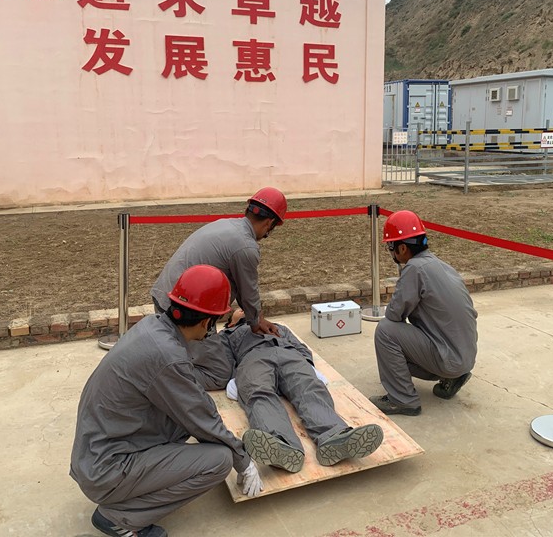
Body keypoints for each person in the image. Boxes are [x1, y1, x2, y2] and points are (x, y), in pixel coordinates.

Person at [70, 265, 264, 537]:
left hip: (95, 453)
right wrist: (243, 460)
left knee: (187, 424)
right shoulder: (167, 357)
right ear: (206, 322)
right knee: (219, 460)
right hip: (106, 469)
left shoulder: (153, 327)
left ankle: (128, 494)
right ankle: (120, 518)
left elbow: (194, 403)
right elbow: (201, 417)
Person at [222, 310, 384, 472]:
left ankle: (335, 436)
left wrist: (307, 364)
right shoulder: (229, 334)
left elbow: (299, 346)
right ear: (230, 322)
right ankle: (281, 444)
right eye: (238, 309)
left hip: (289, 354)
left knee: (309, 387)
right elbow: (223, 363)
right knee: (259, 393)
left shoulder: (278, 327)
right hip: (253, 359)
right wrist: (237, 377)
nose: (243, 309)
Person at [369, 210, 478, 417]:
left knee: (385, 331)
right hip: (464, 356)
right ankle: (453, 377)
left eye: (391, 247)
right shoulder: (441, 265)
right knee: (398, 339)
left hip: (447, 358)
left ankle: (402, 400)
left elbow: (393, 315)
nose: (391, 253)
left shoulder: (415, 269)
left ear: (402, 248)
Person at [151, 187, 287, 337]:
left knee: (176, 346)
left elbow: (242, 288)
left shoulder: (225, 224)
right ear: (269, 223)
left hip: (166, 294)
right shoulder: (246, 246)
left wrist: (256, 318)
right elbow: (248, 291)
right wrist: (256, 324)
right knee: (203, 351)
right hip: (184, 309)